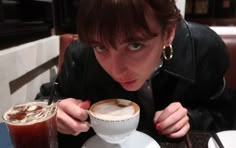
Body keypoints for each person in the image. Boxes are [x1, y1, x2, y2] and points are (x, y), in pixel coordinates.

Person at [37, 0, 235, 147]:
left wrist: (191, 119)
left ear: (168, 33)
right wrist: (53, 114)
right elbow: (45, 100)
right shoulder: (80, 55)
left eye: (134, 45)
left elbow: (226, 114)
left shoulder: (202, 50)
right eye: (100, 47)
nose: (116, 70)